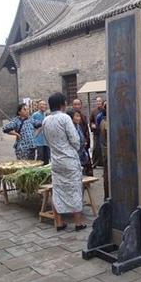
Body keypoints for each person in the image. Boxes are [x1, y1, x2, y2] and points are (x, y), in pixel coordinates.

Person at [43, 92, 87, 232]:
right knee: (74, 188)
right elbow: (75, 140)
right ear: (62, 104)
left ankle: (59, 222)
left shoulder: (46, 120)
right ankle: (78, 222)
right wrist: (72, 148)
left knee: (58, 190)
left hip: (55, 160)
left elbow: (47, 142)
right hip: (69, 160)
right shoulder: (65, 118)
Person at [66, 110, 91, 175]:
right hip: (74, 155)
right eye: (77, 116)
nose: (79, 118)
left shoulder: (78, 126)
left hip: (81, 153)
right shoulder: (70, 128)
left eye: (79, 116)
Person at [72, 98, 93, 175]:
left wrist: (87, 140)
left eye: (78, 104)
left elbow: (86, 129)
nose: (77, 106)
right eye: (75, 104)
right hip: (77, 144)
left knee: (86, 161)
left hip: (84, 142)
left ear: (81, 105)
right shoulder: (69, 118)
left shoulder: (83, 116)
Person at [32, 100, 50, 165]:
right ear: (38, 106)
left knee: (47, 157)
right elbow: (33, 126)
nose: (43, 106)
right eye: (41, 104)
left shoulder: (47, 114)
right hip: (38, 139)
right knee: (40, 156)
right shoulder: (35, 115)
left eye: (44, 104)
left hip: (46, 140)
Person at [99, 102, 109, 199]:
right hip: (108, 153)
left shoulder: (103, 121)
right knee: (108, 176)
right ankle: (107, 196)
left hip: (106, 152)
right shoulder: (106, 123)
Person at [90, 97, 104, 167]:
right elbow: (91, 121)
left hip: (103, 132)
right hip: (96, 133)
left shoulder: (104, 110)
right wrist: (92, 125)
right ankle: (95, 162)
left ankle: (102, 163)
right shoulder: (94, 111)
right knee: (95, 148)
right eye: (97, 101)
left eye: (99, 101)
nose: (98, 103)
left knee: (102, 148)